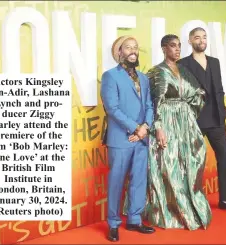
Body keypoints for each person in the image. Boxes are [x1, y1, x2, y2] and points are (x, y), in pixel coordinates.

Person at [145, 34, 212, 230]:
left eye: (179, 46)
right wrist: (158, 127)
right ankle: (171, 211)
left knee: (193, 161)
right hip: (166, 123)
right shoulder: (156, 72)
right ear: (163, 48)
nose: (177, 49)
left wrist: (187, 111)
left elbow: (198, 93)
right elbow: (153, 102)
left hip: (185, 123)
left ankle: (192, 207)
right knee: (169, 165)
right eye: (172, 46)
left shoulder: (184, 70)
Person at [177, 27, 226, 213]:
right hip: (195, 121)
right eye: (197, 37)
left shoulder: (214, 62)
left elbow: (219, 88)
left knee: (225, 156)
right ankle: (190, 204)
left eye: (204, 37)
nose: (202, 40)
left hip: (216, 119)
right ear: (190, 41)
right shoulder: (182, 64)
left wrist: (223, 112)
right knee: (193, 162)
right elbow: (182, 94)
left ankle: (225, 200)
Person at [101, 35, 155, 242]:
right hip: (121, 139)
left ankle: (134, 220)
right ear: (119, 52)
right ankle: (113, 224)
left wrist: (145, 128)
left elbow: (150, 105)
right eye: (128, 47)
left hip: (141, 139)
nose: (133, 51)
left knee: (139, 180)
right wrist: (135, 128)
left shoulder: (144, 78)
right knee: (116, 182)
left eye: (136, 47)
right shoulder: (110, 77)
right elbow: (112, 108)